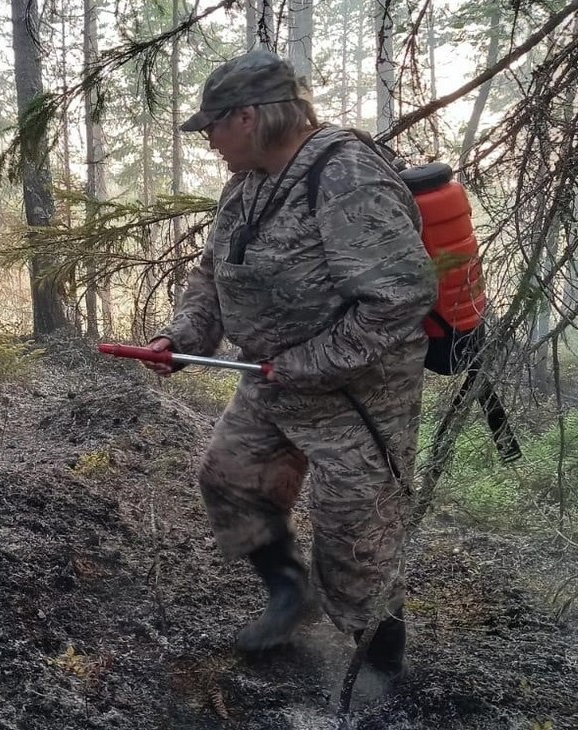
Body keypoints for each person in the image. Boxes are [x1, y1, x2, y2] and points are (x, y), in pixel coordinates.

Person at [146, 49, 436, 677]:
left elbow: (400, 297)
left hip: (358, 398)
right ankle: (289, 593)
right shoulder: (247, 183)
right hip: (270, 379)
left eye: (212, 126)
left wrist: (306, 362)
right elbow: (215, 273)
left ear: (246, 117)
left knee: (357, 547)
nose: (209, 141)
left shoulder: (345, 174)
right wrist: (182, 337)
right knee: (231, 480)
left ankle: (378, 679)